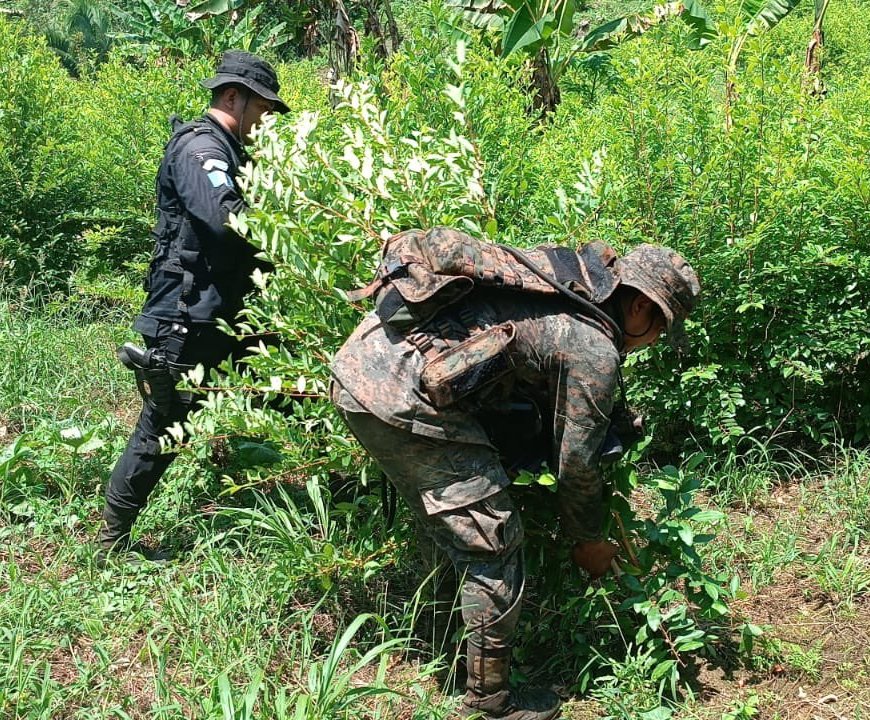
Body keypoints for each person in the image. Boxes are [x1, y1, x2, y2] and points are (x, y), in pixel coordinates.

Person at [329, 228, 700, 720]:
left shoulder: (569, 280)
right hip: (400, 398)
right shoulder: (594, 349)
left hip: (365, 368)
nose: (652, 341)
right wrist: (589, 539)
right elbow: (576, 467)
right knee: (492, 541)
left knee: (458, 523)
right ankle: (490, 705)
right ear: (639, 308)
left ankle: (439, 639)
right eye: (659, 328)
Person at [97, 51, 289, 562]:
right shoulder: (202, 150)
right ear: (233, 97)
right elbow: (226, 222)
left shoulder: (229, 151)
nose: (265, 120)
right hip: (188, 317)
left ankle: (320, 499)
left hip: (223, 313)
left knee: (293, 389)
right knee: (164, 421)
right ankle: (111, 543)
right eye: (263, 108)